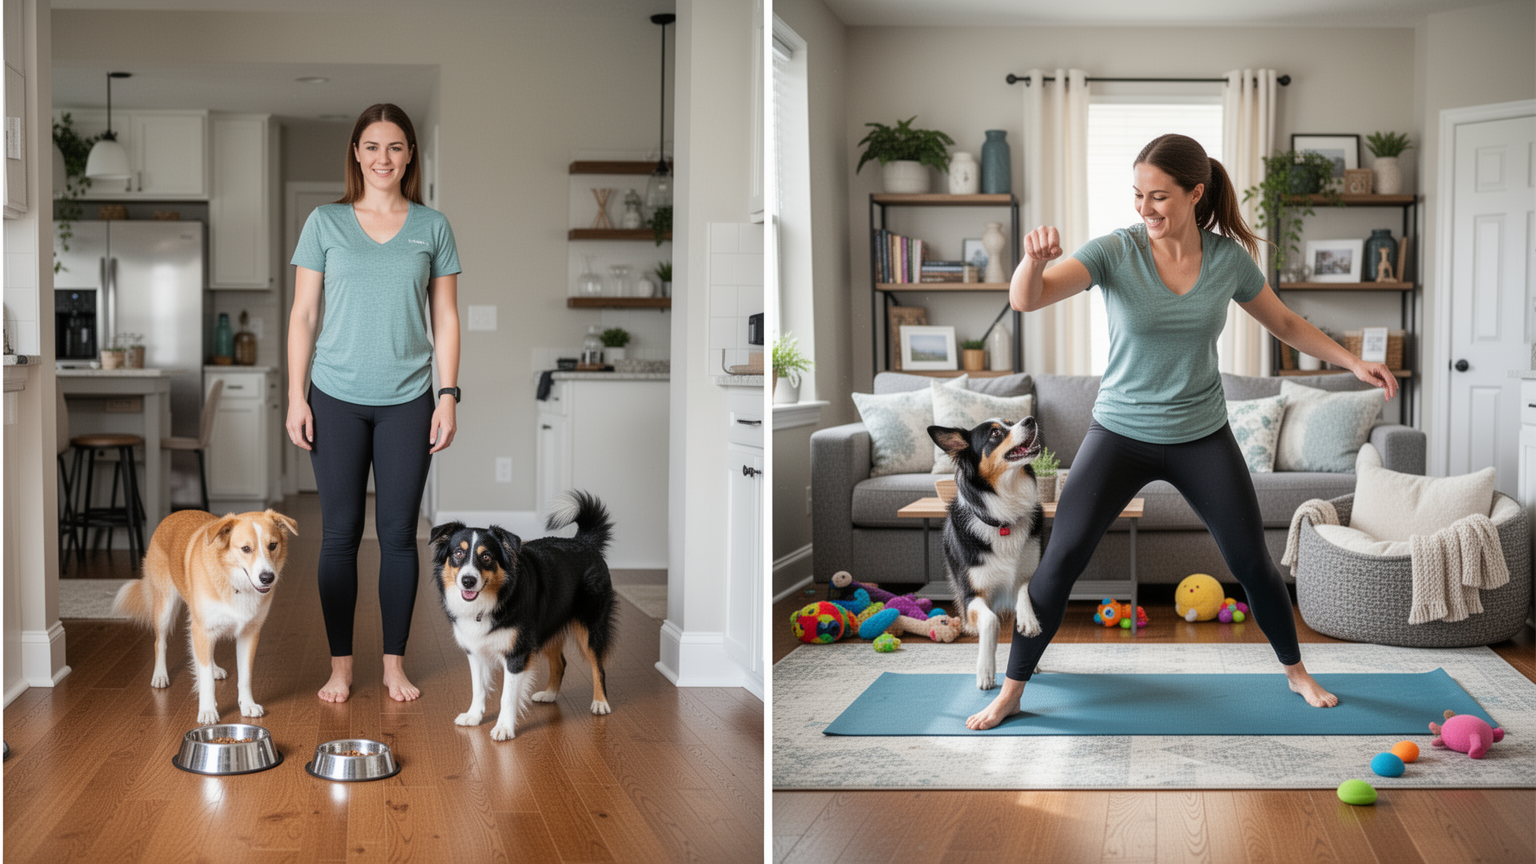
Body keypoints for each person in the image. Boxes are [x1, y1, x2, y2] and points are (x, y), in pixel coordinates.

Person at [966, 133, 1397, 731]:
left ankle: (1296, 672)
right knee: (1061, 559)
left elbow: (1286, 322)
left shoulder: (1226, 260)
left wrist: (1351, 362)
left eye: (1159, 197)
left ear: (1196, 193)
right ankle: (1013, 688)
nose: (1145, 210)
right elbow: (1027, 298)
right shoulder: (1115, 251)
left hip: (1202, 435)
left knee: (1251, 562)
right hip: (1118, 432)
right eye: (1138, 196)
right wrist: (1032, 260)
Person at [286, 103, 462, 704]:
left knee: (397, 536)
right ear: (356, 154)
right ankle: (340, 667)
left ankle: (393, 665)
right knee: (338, 535)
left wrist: (448, 396)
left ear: (410, 154)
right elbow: (303, 315)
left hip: (410, 400)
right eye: (371, 146)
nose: (382, 158)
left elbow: (445, 317)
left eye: (394, 147)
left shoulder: (432, 226)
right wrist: (295, 396)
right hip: (333, 396)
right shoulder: (325, 222)